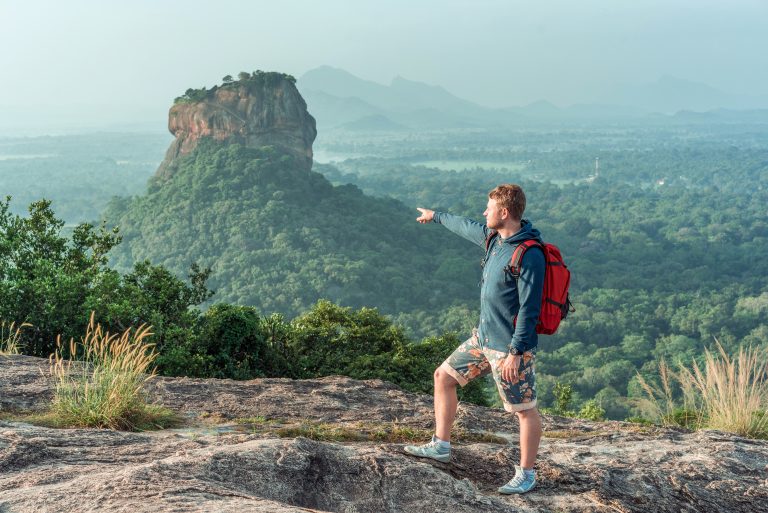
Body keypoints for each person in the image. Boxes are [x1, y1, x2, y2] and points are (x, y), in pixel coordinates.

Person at [404, 184, 545, 495]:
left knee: (524, 410)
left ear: (504, 213)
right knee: (443, 376)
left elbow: (530, 309)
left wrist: (516, 353)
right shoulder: (495, 238)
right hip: (483, 339)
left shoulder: (529, 254)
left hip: (508, 347)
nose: (484, 212)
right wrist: (436, 216)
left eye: (489, 207)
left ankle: (526, 474)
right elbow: (467, 226)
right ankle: (440, 445)